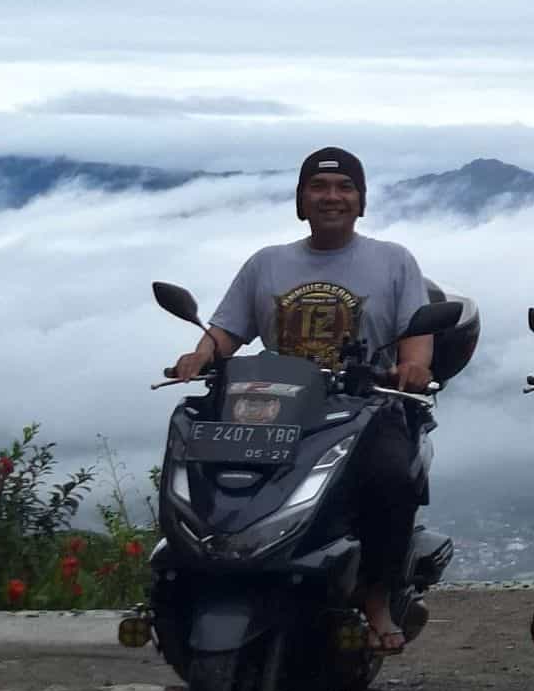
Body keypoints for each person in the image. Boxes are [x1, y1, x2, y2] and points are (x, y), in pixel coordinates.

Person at [168, 148, 433, 653]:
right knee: (205, 473)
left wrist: (414, 367)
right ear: (300, 199)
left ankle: (375, 594)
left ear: (361, 201)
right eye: (319, 187)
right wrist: (201, 354)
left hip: (362, 408)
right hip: (273, 407)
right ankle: (197, 592)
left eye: (344, 188)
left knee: (392, 477)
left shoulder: (394, 260)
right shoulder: (267, 263)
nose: (332, 197)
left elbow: (415, 337)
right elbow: (227, 330)